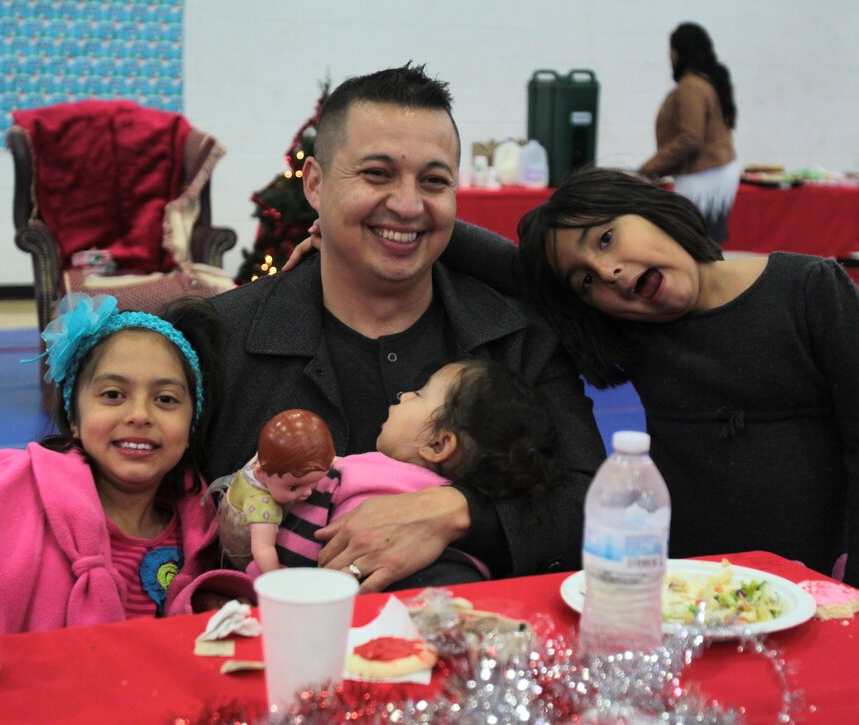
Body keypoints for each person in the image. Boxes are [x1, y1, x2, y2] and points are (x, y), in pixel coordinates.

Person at [204, 62, 606, 593]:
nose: (409, 204)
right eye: (377, 174)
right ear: (315, 184)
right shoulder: (221, 340)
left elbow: (591, 505)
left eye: (434, 182)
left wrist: (458, 512)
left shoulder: (518, 339)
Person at [439, 166, 859, 606]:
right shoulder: (634, 332)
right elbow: (513, 270)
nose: (607, 272)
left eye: (606, 238)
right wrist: (423, 214)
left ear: (650, 208)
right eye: (585, 281)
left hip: (812, 588)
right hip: (688, 591)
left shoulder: (810, 290)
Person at [0, 293, 254, 648]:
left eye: (165, 399)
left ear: (191, 424)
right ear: (74, 417)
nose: (139, 415)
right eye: (113, 394)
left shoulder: (207, 532)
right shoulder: (2, 486)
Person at [237, 359, 558, 579]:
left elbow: (300, 551)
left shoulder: (366, 479)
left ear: (438, 445)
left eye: (419, 395)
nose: (404, 395)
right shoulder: (447, 503)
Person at [639, 22, 740, 244]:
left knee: (695, 242)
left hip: (703, 179)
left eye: (671, 51)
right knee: (706, 240)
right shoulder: (709, 81)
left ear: (678, 53)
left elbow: (690, 138)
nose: (669, 57)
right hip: (716, 173)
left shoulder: (691, 87)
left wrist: (649, 168)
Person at [215, 409, 336, 573]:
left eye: (314, 481)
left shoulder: (271, 458)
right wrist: (277, 579)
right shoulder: (264, 505)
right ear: (262, 473)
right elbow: (263, 549)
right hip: (248, 552)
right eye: (294, 487)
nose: (308, 492)